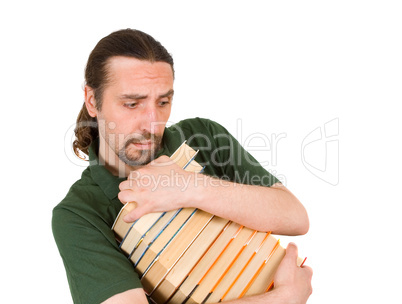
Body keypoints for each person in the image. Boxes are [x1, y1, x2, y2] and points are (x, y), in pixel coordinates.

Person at [52, 29, 313, 304]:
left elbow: (295, 217)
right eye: (132, 104)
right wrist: (283, 298)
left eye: (163, 102)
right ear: (93, 101)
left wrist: (190, 187)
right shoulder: (78, 214)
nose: (153, 122)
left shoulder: (203, 135)